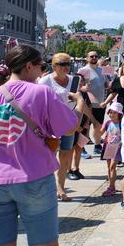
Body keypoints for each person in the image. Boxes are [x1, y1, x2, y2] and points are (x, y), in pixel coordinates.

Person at [0, 45, 84, 246]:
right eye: (40, 66)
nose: (42, 72)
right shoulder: (41, 93)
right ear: (29, 66)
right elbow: (69, 128)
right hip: (33, 176)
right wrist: (79, 105)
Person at [37, 53, 83, 201]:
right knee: (49, 155)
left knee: (65, 155)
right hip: (50, 124)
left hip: (69, 123)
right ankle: (47, 187)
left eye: (68, 64)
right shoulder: (45, 81)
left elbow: (79, 101)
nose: (66, 67)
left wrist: (87, 121)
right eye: (62, 64)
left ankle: (61, 187)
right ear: (54, 66)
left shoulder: (74, 80)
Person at [78, 50, 108, 156]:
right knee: (85, 126)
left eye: (96, 56)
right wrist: (83, 88)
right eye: (91, 56)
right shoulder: (83, 70)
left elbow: (106, 83)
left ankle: (97, 145)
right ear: (87, 58)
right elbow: (77, 86)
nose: (94, 58)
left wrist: (109, 85)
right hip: (88, 104)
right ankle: (81, 148)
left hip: (100, 103)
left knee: (98, 126)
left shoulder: (102, 70)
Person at [100, 102, 123, 196]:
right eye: (110, 112)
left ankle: (112, 187)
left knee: (112, 167)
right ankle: (111, 185)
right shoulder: (108, 123)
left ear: (119, 114)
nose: (111, 114)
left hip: (117, 147)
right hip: (108, 146)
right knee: (109, 168)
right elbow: (101, 132)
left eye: (114, 112)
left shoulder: (122, 124)